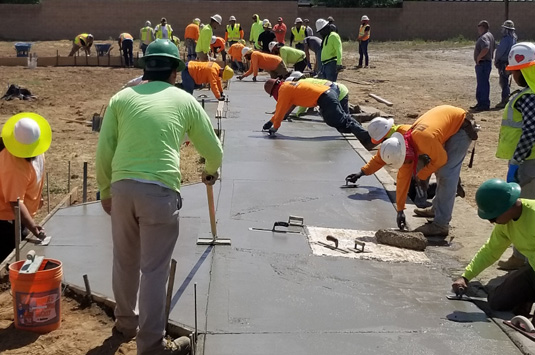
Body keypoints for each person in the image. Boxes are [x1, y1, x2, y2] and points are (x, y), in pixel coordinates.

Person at [95, 39, 223, 355]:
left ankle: (125, 324)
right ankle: (151, 345)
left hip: (123, 189)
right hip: (160, 193)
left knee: (124, 261)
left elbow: (104, 151)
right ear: (175, 73)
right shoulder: (184, 100)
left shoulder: (121, 99)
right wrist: (210, 169)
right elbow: (213, 150)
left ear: (146, 70)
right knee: (154, 270)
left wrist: (107, 192)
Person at [378, 105, 477, 237]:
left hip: (462, 128)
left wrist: (423, 174)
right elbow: (403, 178)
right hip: (448, 125)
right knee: (439, 169)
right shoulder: (407, 143)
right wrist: (400, 210)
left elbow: (441, 159)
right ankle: (436, 209)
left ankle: (441, 225)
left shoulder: (423, 139)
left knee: (446, 173)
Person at [452, 179, 535, 318]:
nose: (491, 221)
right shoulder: (504, 224)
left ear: (507, 207)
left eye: (493, 217)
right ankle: (527, 298)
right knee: (497, 302)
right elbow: (491, 251)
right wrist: (465, 277)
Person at [494, 42, 535, 270]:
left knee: (523, 210)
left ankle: (522, 260)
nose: (514, 76)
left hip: (528, 162)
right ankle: (521, 258)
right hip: (527, 160)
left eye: (516, 72)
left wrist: (516, 162)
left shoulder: (529, 97)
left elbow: (530, 132)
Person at [345, 117, 434, 209]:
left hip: (425, 154)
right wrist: (361, 173)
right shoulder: (393, 137)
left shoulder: (406, 133)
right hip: (416, 154)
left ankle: (421, 200)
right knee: (409, 176)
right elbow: (379, 159)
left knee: (420, 176)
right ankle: (418, 190)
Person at [261, 79, 373, 148]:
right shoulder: (286, 86)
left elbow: (280, 111)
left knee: (340, 120)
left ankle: (368, 137)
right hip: (326, 95)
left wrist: (274, 127)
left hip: (325, 97)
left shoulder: (283, 91)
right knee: (338, 123)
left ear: (273, 90)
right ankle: (364, 133)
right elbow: (282, 109)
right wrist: (271, 121)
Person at [0, 112, 51, 263]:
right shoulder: (13, 166)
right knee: (8, 258)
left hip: (20, 218)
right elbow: (15, 202)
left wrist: (36, 196)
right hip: (6, 220)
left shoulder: (38, 150)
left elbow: (35, 174)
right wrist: (33, 226)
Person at [471, 20, 495, 112]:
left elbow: (486, 47)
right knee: (483, 83)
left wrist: (478, 58)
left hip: (483, 63)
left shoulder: (484, 37)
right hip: (486, 63)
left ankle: (483, 104)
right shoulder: (490, 35)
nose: (478, 28)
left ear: (483, 27)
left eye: (479, 26)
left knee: (482, 84)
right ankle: (480, 103)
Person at [494, 20, 517, 109]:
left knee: (504, 82)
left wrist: (496, 60)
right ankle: (506, 99)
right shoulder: (514, 39)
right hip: (510, 62)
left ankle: (504, 100)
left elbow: (500, 51)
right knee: (506, 82)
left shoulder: (505, 39)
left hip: (503, 63)